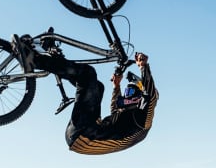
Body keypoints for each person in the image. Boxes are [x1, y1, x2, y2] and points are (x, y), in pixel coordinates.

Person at [12, 35, 158, 155]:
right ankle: (55, 59)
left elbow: (151, 96)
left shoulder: (143, 121)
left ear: (140, 96)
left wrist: (143, 67)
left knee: (88, 74)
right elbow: (115, 111)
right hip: (87, 130)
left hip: (85, 135)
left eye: (131, 92)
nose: (126, 96)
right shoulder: (130, 118)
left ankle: (34, 60)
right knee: (96, 86)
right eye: (127, 91)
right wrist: (117, 86)